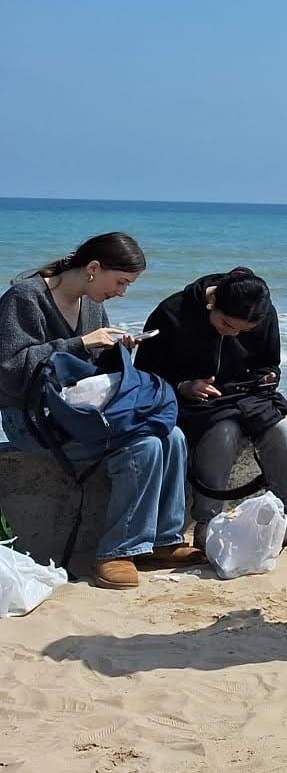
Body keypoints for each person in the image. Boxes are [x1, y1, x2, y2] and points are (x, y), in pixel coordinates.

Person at [0, 233, 203, 589]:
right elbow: (8, 369)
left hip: (79, 414)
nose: (122, 292)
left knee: (171, 434)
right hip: (33, 421)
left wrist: (117, 351)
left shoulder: (91, 305)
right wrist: (79, 343)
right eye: (121, 282)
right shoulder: (25, 298)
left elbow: (89, 373)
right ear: (93, 268)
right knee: (144, 446)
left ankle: (162, 541)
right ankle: (117, 552)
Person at [139, 267, 287, 551]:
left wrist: (268, 377)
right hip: (195, 402)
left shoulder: (263, 314)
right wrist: (183, 386)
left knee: (280, 427)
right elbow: (145, 374)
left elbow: (269, 362)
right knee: (222, 432)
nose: (233, 333)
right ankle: (207, 521)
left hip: (245, 394)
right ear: (212, 303)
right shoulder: (172, 313)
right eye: (226, 324)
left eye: (243, 331)